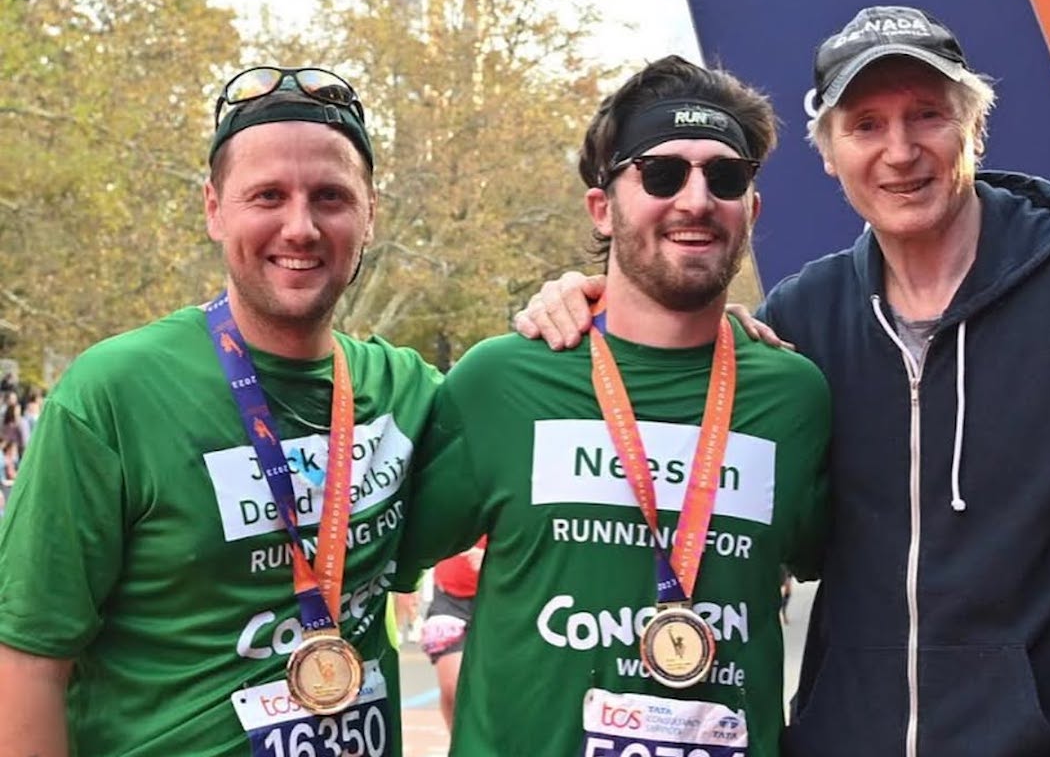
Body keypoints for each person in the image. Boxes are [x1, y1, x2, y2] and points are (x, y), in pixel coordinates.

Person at [516, 5, 1050, 756]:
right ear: (829, 153)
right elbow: (683, 415)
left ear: (973, 129)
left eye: (927, 116)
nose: (900, 151)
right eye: (866, 125)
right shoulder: (803, 317)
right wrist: (593, 297)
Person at [0, 66, 442, 756]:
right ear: (213, 208)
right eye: (267, 195)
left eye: (330, 196)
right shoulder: (113, 394)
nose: (300, 226)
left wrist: (580, 301)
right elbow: (26, 660)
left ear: (370, 213)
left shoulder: (409, 392)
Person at [398, 55, 830, 755]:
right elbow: (368, 559)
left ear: (750, 208)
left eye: (725, 177)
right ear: (603, 207)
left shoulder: (795, 396)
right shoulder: (500, 381)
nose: (696, 200)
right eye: (662, 174)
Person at [418, 537, 486, 728]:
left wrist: (496, 562)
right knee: (452, 688)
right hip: (449, 599)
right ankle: (459, 746)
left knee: (493, 693)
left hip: (499, 597)